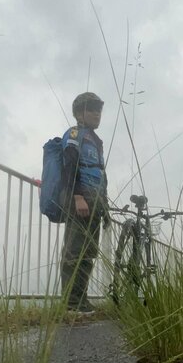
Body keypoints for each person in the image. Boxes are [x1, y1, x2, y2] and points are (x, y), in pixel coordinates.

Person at [60, 91, 109, 312]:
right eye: (92, 109)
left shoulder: (96, 141)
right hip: (80, 200)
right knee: (74, 251)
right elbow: (69, 166)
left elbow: (101, 175)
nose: (97, 114)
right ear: (80, 113)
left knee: (89, 252)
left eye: (99, 110)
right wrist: (77, 196)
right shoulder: (74, 134)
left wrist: (105, 207)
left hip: (96, 203)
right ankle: (71, 303)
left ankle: (81, 299)